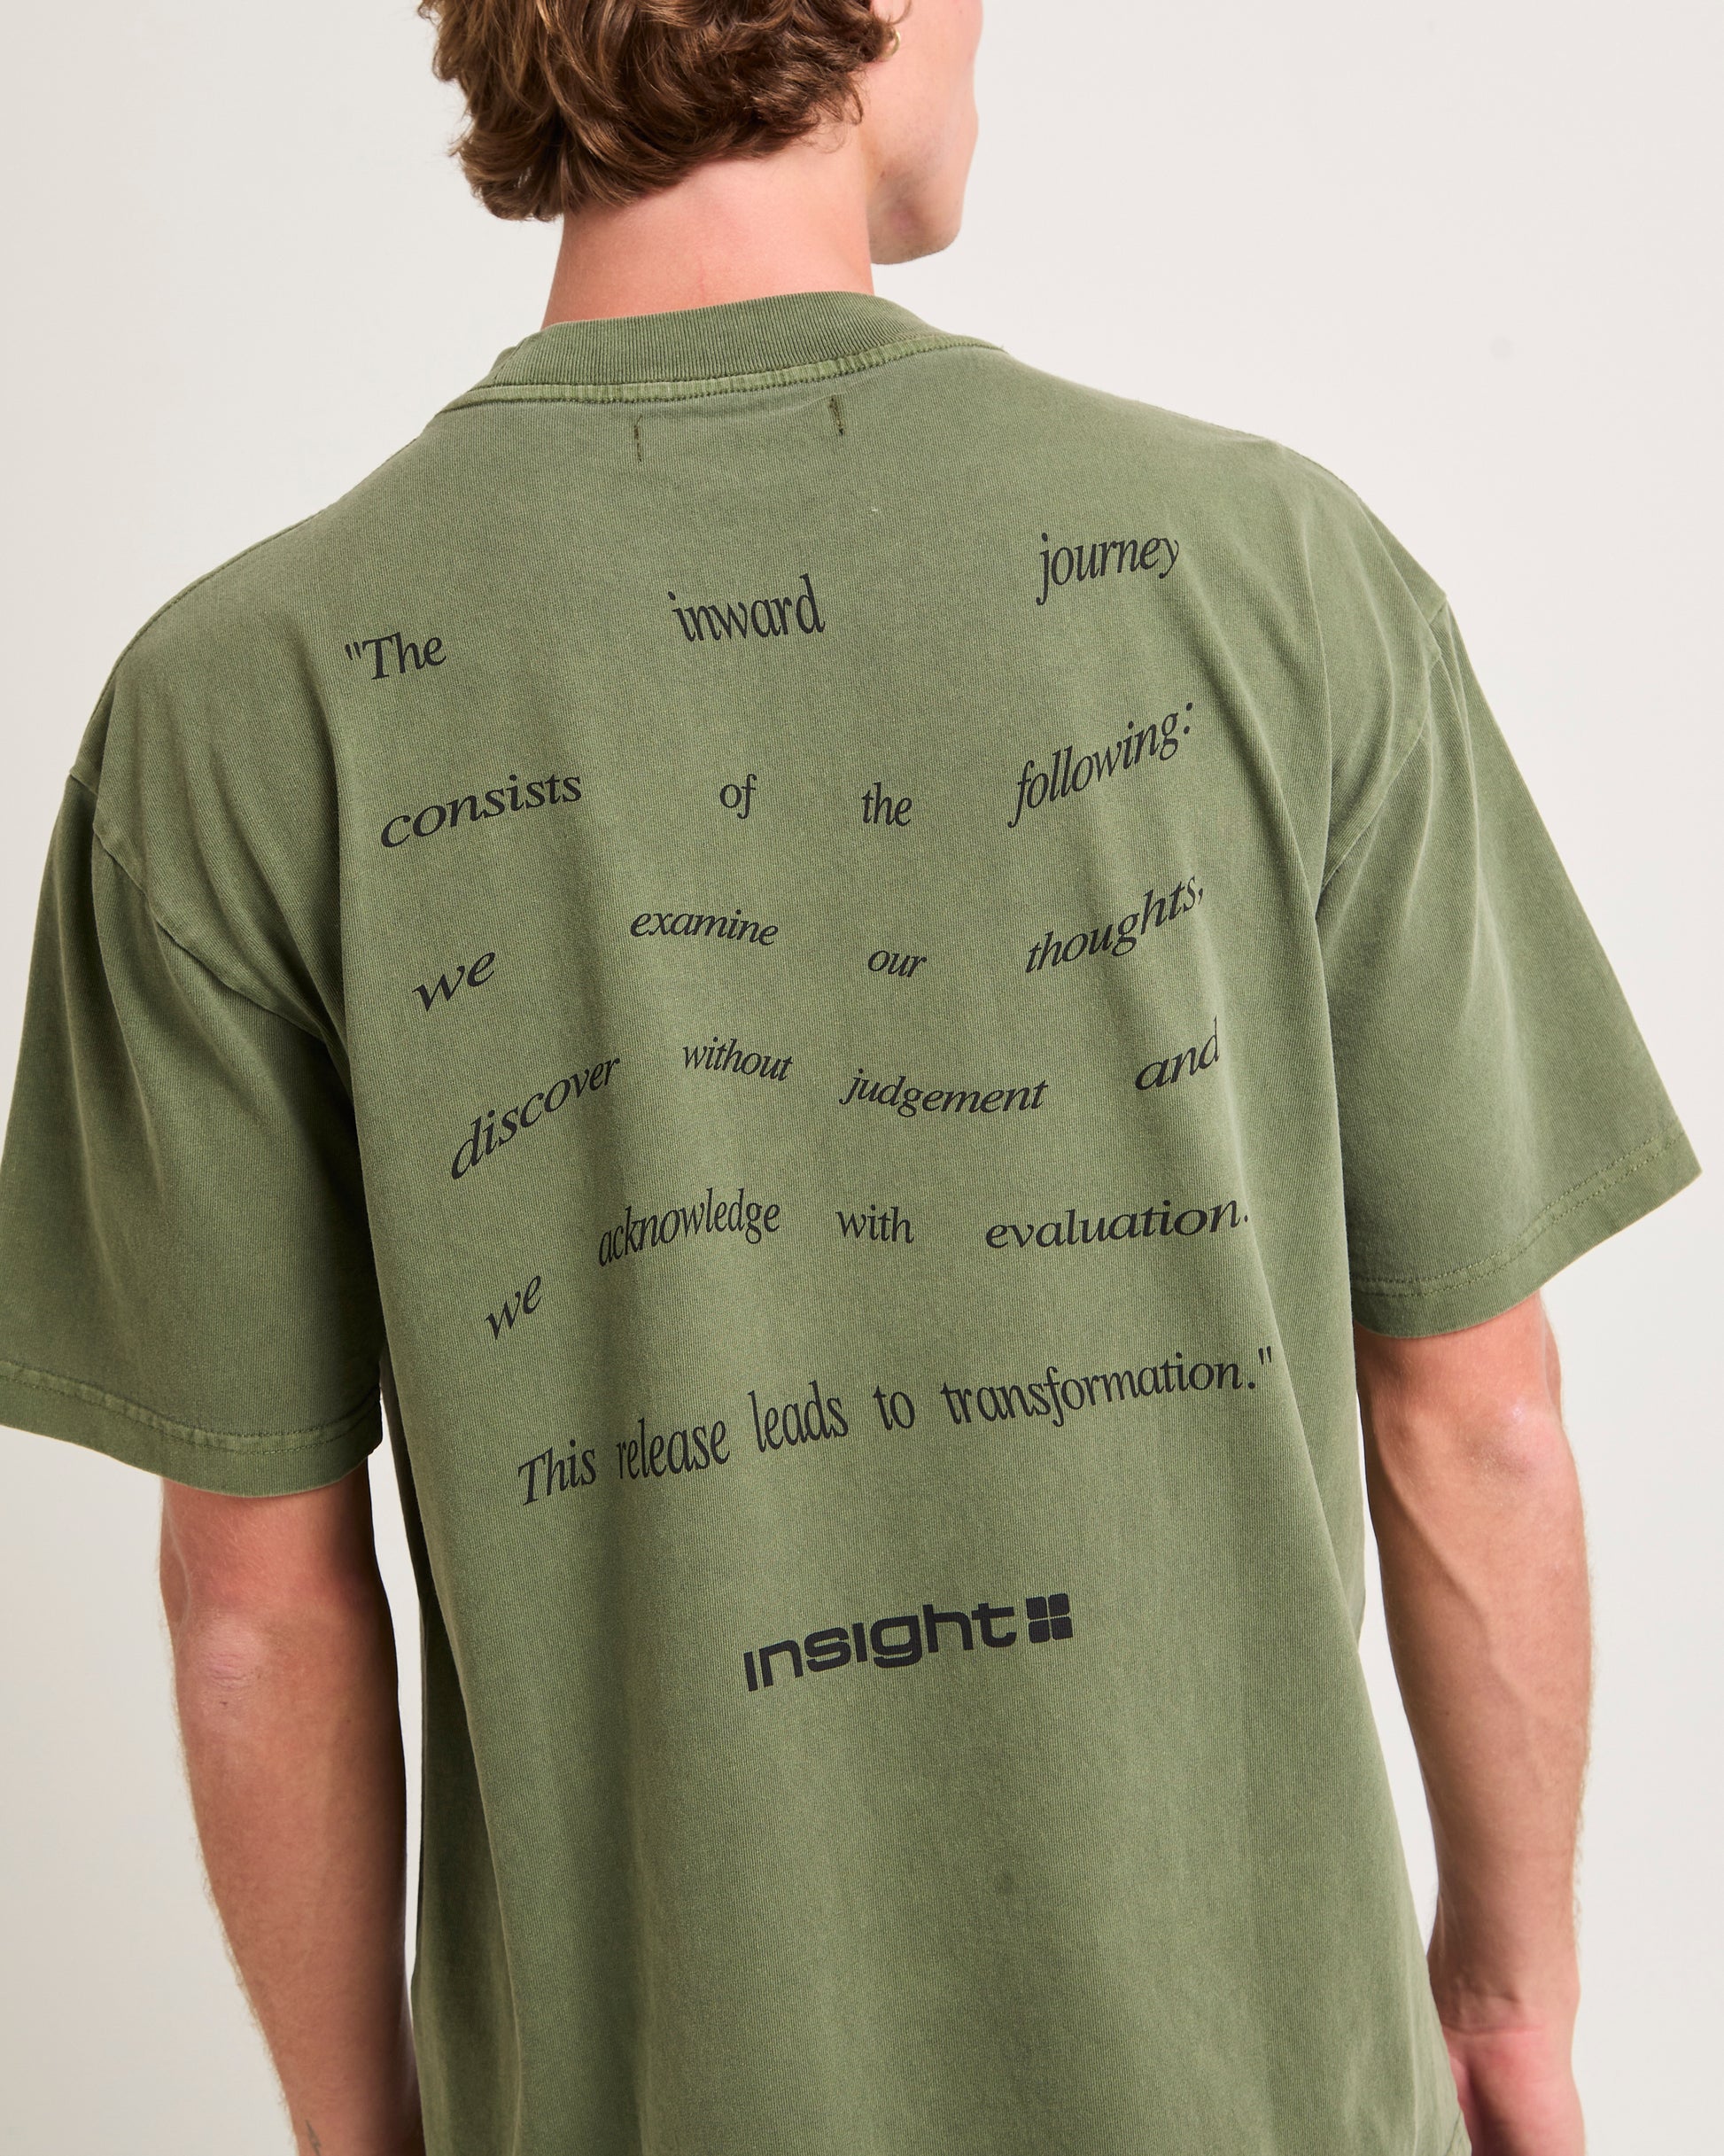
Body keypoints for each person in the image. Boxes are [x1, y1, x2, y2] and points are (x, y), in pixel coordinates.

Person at [0, 2, 1697, 2151]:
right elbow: (1475, 1413)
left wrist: (367, 2138)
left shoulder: (232, 709)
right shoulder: (1281, 575)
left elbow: (254, 1597)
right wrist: (1511, 2005)